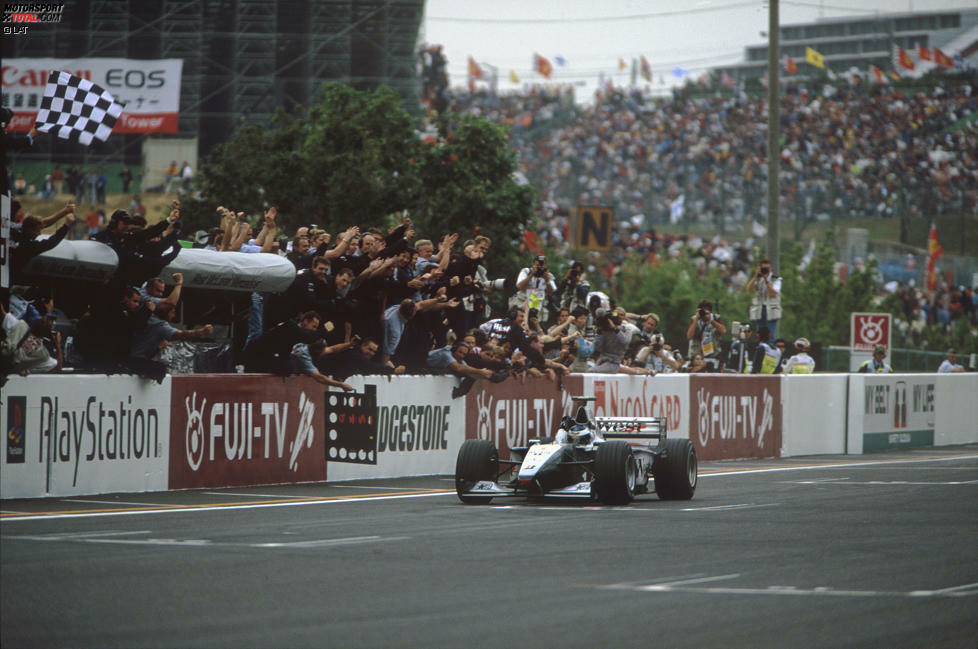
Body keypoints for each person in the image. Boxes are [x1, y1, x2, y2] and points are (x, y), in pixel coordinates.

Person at [129, 301, 214, 360]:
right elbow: (182, 335)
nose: (174, 316)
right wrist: (202, 331)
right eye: (172, 312)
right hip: (139, 360)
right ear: (166, 313)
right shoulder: (161, 326)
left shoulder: (148, 319)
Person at [511, 254, 556, 323]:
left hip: (538, 307)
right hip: (523, 305)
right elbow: (519, 286)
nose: (540, 267)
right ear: (533, 264)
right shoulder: (526, 271)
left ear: (545, 265)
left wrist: (547, 280)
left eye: (542, 265)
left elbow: (551, 293)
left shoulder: (548, 275)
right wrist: (531, 275)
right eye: (538, 265)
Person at [746, 259, 782, 341]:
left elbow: (773, 293)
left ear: (771, 268)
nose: (765, 270)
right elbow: (748, 288)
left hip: (771, 310)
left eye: (767, 268)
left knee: (770, 335)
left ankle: (769, 352)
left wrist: (766, 280)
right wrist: (755, 276)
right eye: (763, 268)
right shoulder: (758, 279)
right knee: (760, 335)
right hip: (759, 309)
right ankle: (761, 350)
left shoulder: (776, 279)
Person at [686, 299, 726, 369]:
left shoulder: (716, 318)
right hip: (697, 357)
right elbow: (689, 336)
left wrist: (711, 320)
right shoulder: (694, 319)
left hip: (713, 355)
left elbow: (723, 331)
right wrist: (696, 319)